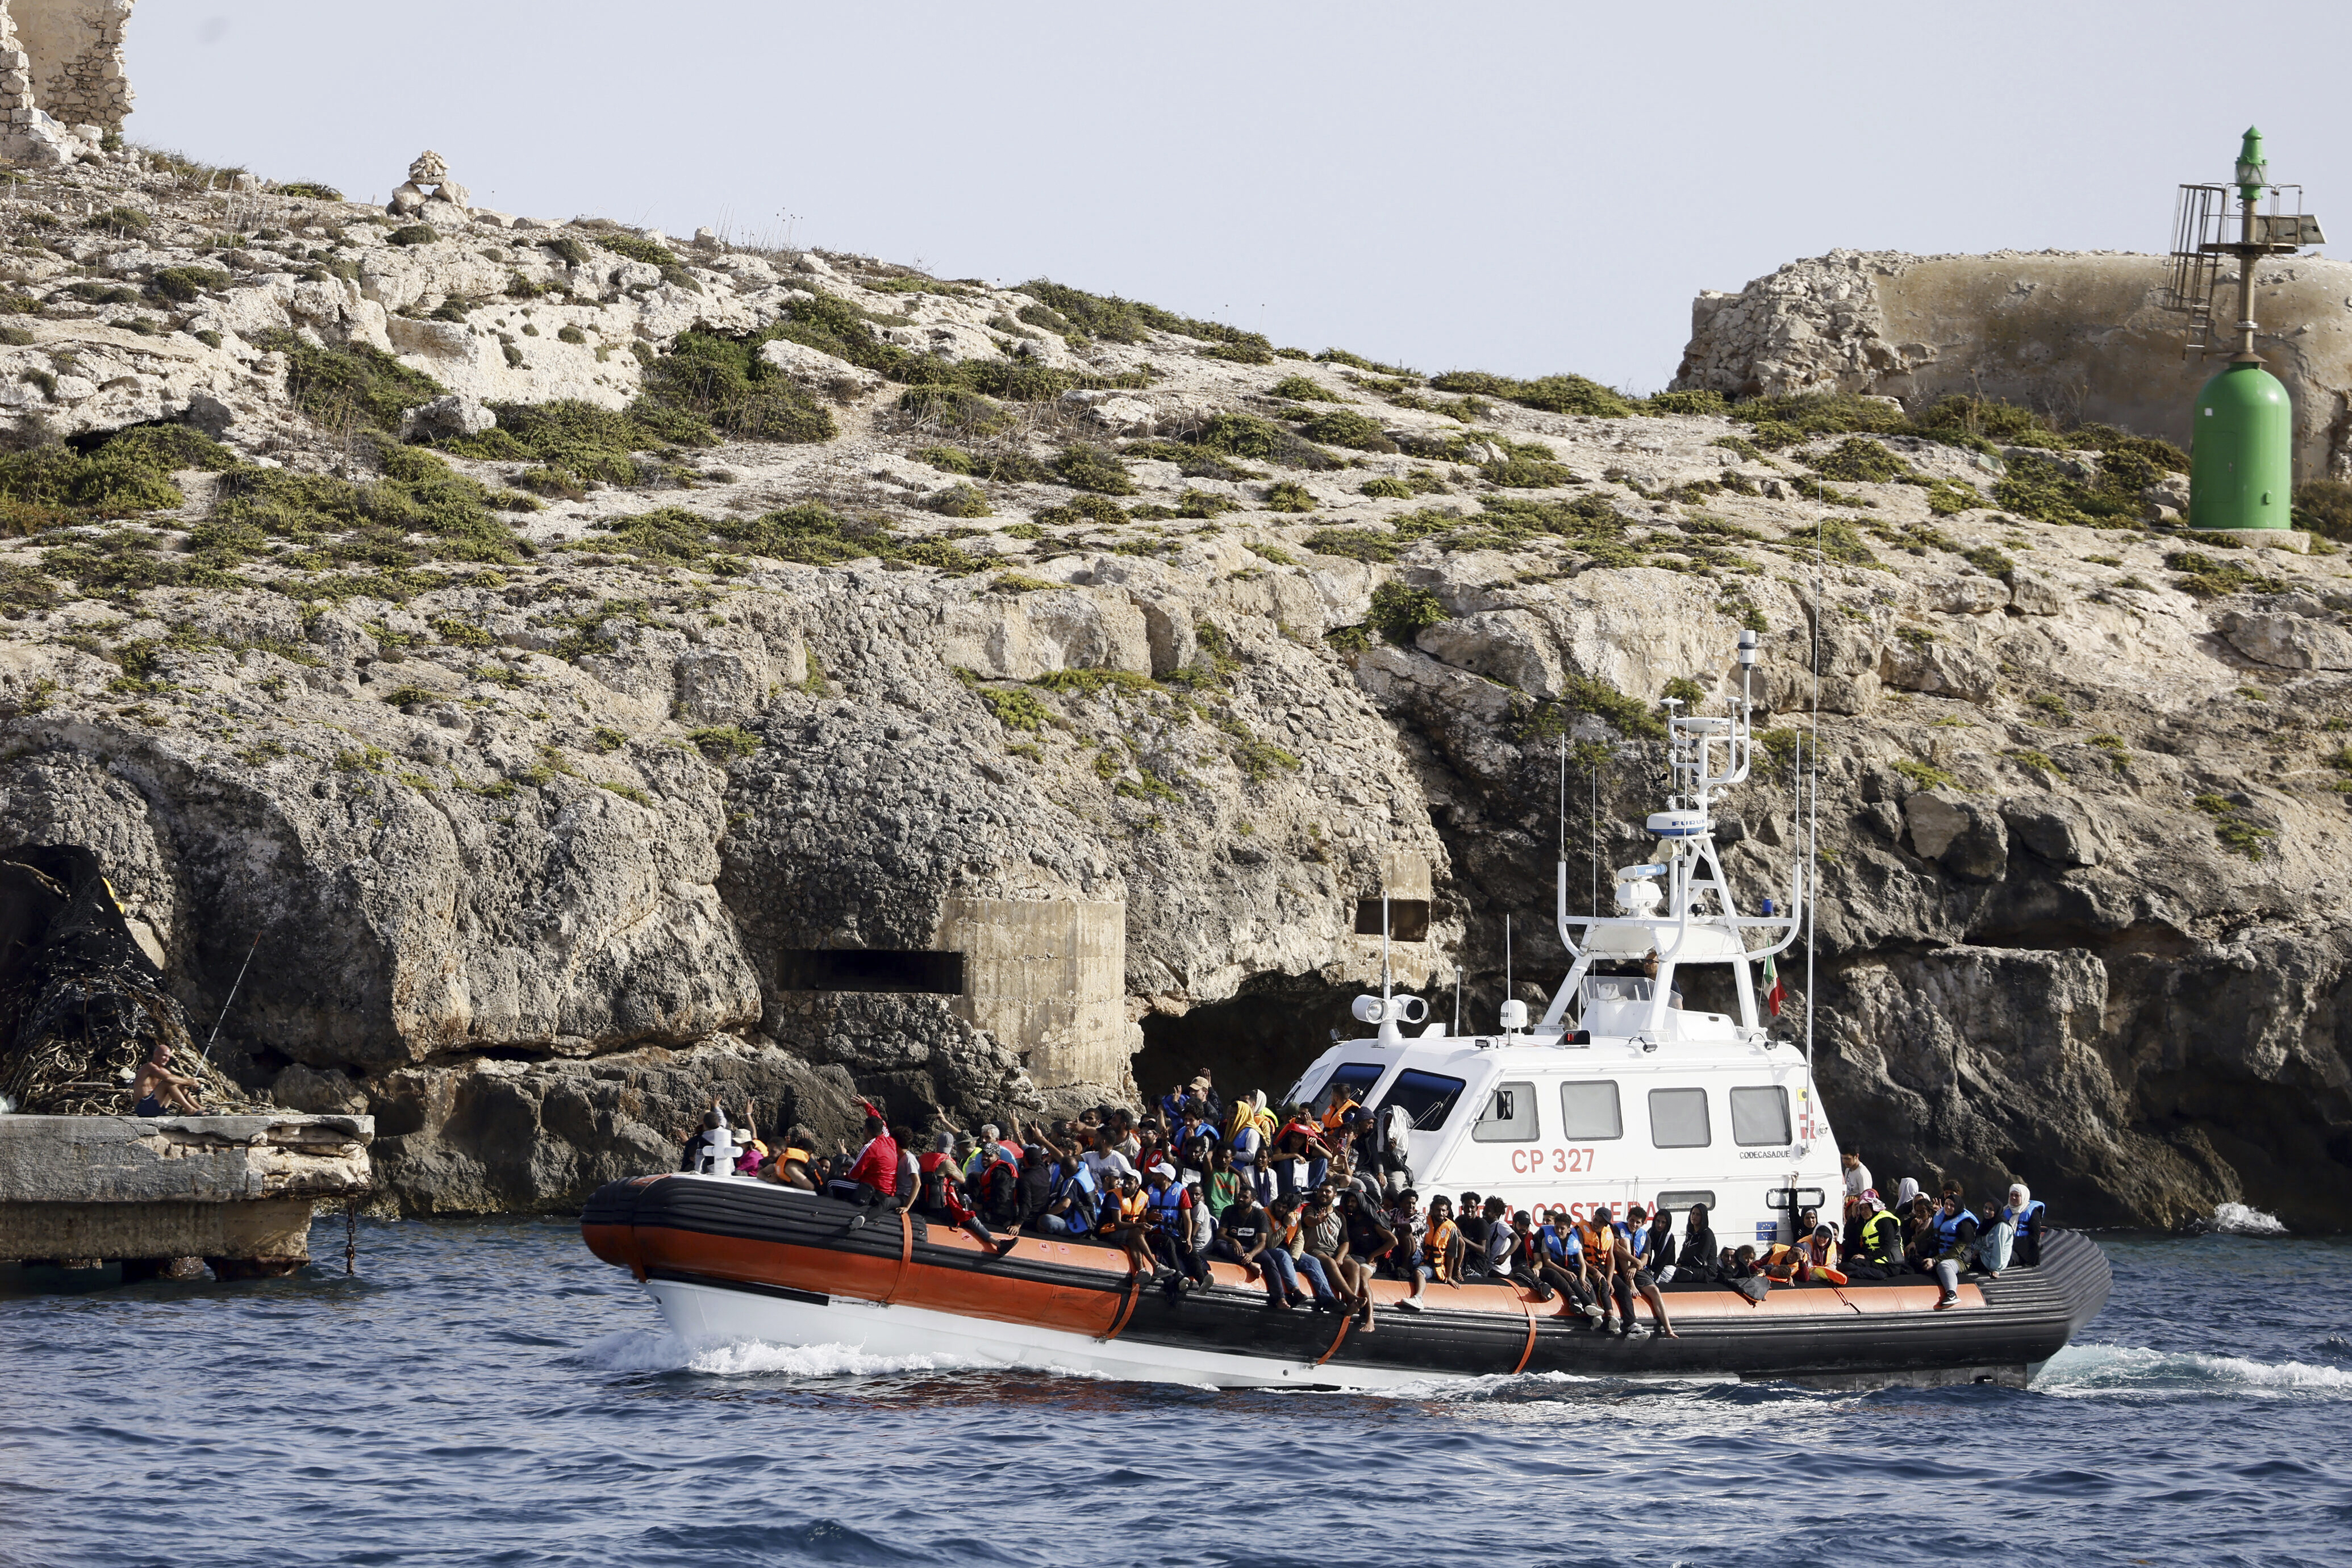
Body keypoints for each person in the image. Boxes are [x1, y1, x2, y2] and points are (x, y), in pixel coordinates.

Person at [1614, 1223, 1679, 1337]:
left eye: (1638, 1222)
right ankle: (1630, 1283)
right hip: (1620, 1266)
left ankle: (1668, 1329)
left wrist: (1635, 1266)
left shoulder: (1645, 1236)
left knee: (1655, 1290)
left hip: (1636, 1269)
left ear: (1643, 1223)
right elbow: (1617, 1248)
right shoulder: (1618, 1229)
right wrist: (1636, 1261)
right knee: (1625, 1241)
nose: (1634, 1224)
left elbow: (1645, 1258)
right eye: (1632, 1220)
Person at [1398, 1194, 1459, 1313]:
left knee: (1419, 1272)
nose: (1440, 1213)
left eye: (1443, 1211)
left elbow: (1451, 1254)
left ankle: (1418, 1298)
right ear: (1432, 1210)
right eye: (1438, 1210)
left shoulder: (1451, 1229)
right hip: (1425, 1260)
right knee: (1417, 1269)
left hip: (1439, 1267)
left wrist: (1451, 1276)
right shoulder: (1426, 1221)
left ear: (1447, 1212)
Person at [837, 1113, 898, 1228]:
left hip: (872, 1193)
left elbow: (854, 1176)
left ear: (867, 1130)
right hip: (889, 1192)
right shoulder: (891, 1141)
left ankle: (832, 1212)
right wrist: (866, 1104)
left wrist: (845, 1169)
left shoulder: (870, 1147)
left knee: (832, 1182)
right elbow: (882, 1122)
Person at [1924, 1192, 1980, 1310]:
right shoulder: (1942, 1216)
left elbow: (1956, 1251)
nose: (1948, 1207)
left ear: (1958, 1207)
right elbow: (1929, 1231)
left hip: (1960, 1260)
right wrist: (1914, 1242)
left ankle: (1952, 1294)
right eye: (1946, 1204)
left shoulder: (1965, 1224)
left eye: (1952, 1205)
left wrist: (1934, 1260)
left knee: (1944, 1266)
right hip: (1942, 1254)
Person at [129, 1042, 203, 1117]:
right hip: (143, 1108)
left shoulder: (163, 1070)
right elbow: (168, 1078)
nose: (167, 1059)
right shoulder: (149, 1067)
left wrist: (194, 1084)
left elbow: (176, 1081)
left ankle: (199, 1107)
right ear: (156, 1054)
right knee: (168, 1083)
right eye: (164, 1056)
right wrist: (188, 1081)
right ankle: (190, 1110)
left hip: (157, 1107)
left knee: (177, 1084)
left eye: (168, 1057)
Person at [1847, 1193, 1907, 1278]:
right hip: (1876, 1261)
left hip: (1889, 1265)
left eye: (1866, 1208)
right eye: (1861, 1209)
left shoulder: (1885, 1221)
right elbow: (1849, 1236)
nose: (1863, 1212)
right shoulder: (1866, 1222)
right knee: (1848, 1262)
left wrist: (1866, 1257)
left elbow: (1886, 1246)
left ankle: (1880, 1275)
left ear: (1873, 1207)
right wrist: (1853, 1216)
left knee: (1853, 1264)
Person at [2001, 1182, 2045, 1267]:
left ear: (2023, 1197)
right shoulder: (2005, 1210)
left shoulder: (2033, 1213)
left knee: (2004, 1260)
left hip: (2023, 1251)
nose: (2013, 1197)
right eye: (2011, 1195)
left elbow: (2034, 1236)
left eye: (2017, 1196)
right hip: (2005, 1245)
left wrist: (2016, 1243)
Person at [1675, 1203, 1719, 1283]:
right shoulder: (1691, 1233)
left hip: (1707, 1271)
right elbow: (1685, 1252)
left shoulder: (1707, 1234)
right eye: (1693, 1213)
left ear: (1703, 1217)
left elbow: (1700, 1260)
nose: (1694, 1217)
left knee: (1681, 1273)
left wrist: (1684, 1265)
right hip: (1691, 1268)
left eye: (1698, 1215)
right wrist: (1679, 1263)